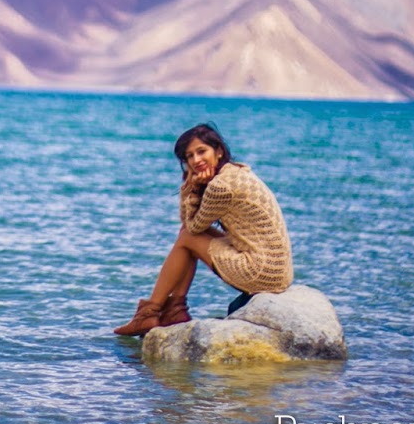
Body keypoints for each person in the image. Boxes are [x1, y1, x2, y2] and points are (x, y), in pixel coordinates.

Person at [114, 123, 293, 337]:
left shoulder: (221, 186)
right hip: (276, 269)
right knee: (188, 235)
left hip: (261, 271)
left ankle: (151, 312)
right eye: (189, 156)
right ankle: (174, 309)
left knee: (188, 236)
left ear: (218, 151)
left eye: (201, 151)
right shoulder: (235, 172)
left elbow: (193, 226)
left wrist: (191, 188)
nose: (196, 160)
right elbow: (191, 225)